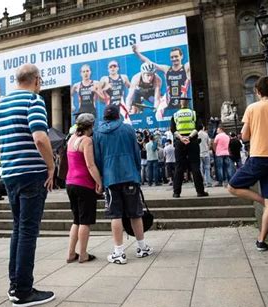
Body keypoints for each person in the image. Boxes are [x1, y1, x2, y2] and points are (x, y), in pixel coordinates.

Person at [0, 64, 56, 307]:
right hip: (31, 174)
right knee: (28, 231)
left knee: (18, 229)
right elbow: (40, 138)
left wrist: (11, 161)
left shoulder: (0, 107)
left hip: (10, 175)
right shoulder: (34, 101)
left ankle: (15, 285)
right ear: (37, 80)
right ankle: (23, 291)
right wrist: (51, 166)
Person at [228, 76, 268, 251]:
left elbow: (245, 136)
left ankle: (261, 201)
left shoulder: (252, 108)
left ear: (257, 91)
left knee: (232, 186)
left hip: (258, 157)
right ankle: (261, 241)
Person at [94, 106, 153, 264]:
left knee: (116, 215)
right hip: (130, 175)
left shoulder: (98, 133)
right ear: (117, 116)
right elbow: (136, 152)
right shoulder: (128, 129)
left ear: (105, 118)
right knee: (135, 213)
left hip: (110, 178)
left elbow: (97, 159)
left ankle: (119, 252)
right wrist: (137, 172)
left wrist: (101, 177)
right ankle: (142, 247)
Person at [65, 113, 103, 264]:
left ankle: (70, 254)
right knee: (85, 221)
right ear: (91, 125)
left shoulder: (71, 139)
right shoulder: (86, 140)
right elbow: (90, 164)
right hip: (84, 184)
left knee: (76, 220)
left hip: (70, 183)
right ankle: (83, 254)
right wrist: (99, 182)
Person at [171, 98, 208, 198]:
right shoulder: (193, 113)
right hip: (192, 142)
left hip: (180, 142)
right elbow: (198, 127)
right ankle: (200, 191)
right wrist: (189, 137)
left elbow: (173, 130)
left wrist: (182, 138)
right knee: (195, 166)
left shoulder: (175, 115)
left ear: (180, 103)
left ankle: (176, 192)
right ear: (188, 103)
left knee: (179, 167)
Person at [132, 45, 191, 109]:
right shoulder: (167, 69)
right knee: (159, 114)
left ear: (181, 56)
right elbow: (149, 62)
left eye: (176, 56)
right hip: (169, 103)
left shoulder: (185, 68)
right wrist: (136, 52)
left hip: (183, 104)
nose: (174, 59)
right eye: (172, 57)